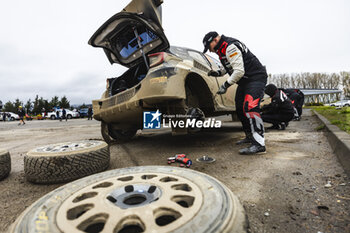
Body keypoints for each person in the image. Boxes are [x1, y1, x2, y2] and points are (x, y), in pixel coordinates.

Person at [203, 31, 267, 155]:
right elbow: (229, 66)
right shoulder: (222, 50)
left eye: (209, 47)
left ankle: (259, 144)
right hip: (245, 81)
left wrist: (226, 85)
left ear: (215, 40)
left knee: (250, 107)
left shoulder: (230, 46)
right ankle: (250, 136)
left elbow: (238, 71)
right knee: (239, 108)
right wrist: (218, 73)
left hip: (256, 77)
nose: (210, 51)